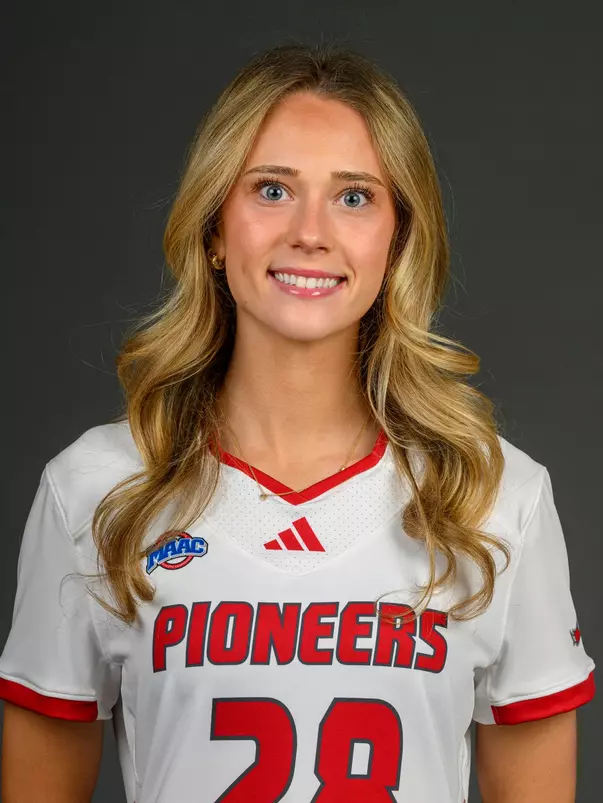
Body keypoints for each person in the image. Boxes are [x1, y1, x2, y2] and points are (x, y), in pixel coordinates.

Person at [0, 42, 596, 803]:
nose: (310, 231)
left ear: (397, 238)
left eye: (354, 197)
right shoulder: (96, 489)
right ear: (215, 229)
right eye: (272, 190)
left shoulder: (493, 494)